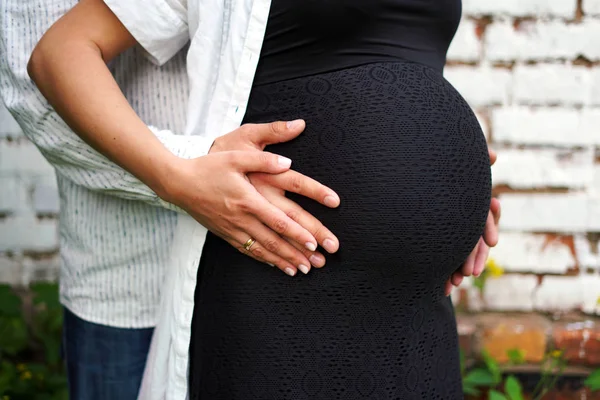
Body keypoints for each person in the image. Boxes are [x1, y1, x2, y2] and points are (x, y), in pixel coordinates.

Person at [22, 0, 502, 399]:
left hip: (412, 309)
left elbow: (402, 66)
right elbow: (60, 53)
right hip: (284, 274)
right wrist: (179, 177)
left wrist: (457, 174)